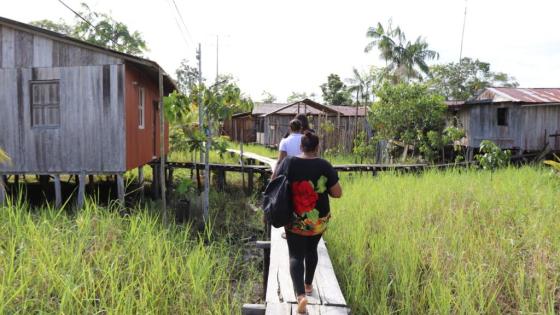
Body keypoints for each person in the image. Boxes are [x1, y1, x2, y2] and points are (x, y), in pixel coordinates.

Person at [274, 131, 342, 314]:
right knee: (312, 250)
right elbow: (337, 193)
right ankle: (309, 284)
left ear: (301, 146)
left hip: (294, 218)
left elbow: (274, 183)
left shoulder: (289, 162)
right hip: (317, 220)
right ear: (317, 147)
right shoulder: (324, 165)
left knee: (295, 255)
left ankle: (301, 296)